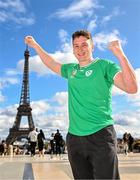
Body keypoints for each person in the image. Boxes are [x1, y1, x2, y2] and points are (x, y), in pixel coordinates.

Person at [25, 30, 137, 179]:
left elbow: (131, 88)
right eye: (76, 46)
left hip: (101, 135)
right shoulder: (71, 69)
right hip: (74, 139)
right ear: (72, 49)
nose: (80, 49)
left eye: (84, 45)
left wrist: (120, 55)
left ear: (92, 47)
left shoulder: (104, 66)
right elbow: (51, 63)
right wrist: (36, 46)